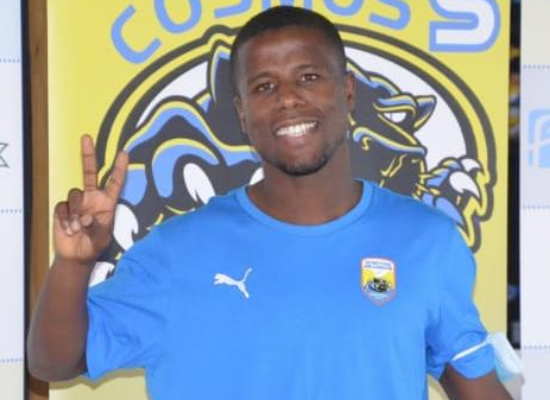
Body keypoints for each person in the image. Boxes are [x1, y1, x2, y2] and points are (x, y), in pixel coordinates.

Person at [28, 6, 513, 400]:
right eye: (264, 86)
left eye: (309, 77)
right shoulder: (176, 251)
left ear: (347, 92)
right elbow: (53, 362)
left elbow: (477, 388)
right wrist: (75, 264)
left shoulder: (426, 241)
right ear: (242, 113)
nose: (288, 99)